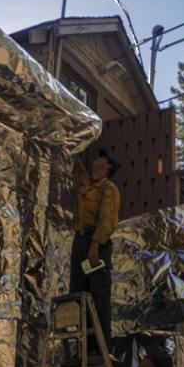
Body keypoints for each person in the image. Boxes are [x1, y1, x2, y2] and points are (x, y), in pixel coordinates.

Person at [70, 148, 121, 354]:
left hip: (95, 243)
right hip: (80, 240)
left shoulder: (108, 188)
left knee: (98, 295)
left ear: (107, 166)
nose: (97, 159)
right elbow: (74, 166)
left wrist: (95, 245)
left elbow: (107, 220)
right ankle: (82, 347)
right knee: (79, 294)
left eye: (101, 157)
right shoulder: (85, 184)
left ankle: (99, 348)